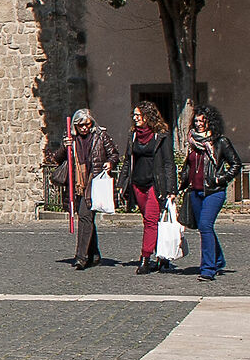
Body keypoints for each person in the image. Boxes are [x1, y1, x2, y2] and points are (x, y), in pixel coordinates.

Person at [46, 108, 121, 270]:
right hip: (77, 184)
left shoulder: (101, 136)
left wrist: (110, 163)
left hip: (93, 183)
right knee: (87, 218)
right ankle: (94, 254)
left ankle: (81, 257)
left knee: (85, 218)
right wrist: (65, 147)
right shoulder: (71, 139)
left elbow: (114, 154)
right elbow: (57, 159)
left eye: (87, 124)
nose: (85, 128)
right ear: (75, 126)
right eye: (81, 125)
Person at [181, 105, 243, 281]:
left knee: (206, 225)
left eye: (202, 121)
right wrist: (183, 179)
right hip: (195, 191)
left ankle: (208, 268)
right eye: (196, 121)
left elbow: (236, 164)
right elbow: (189, 165)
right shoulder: (192, 141)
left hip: (214, 191)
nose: (199, 124)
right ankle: (218, 259)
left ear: (210, 122)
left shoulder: (221, 142)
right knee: (203, 227)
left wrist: (220, 179)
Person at [128, 100, 178, 274]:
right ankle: (162, 256)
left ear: (147, 116)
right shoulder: (133, 135)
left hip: (154, 184)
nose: (135, 118)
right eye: (134, 115)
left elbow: (168, 163)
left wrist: (171, 189)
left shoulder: (161, 135)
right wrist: (122, 184)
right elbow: (128, 160)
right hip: (137, 183)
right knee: (150, 222)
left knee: (151, 220)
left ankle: (145, 257)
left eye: (138, 115)